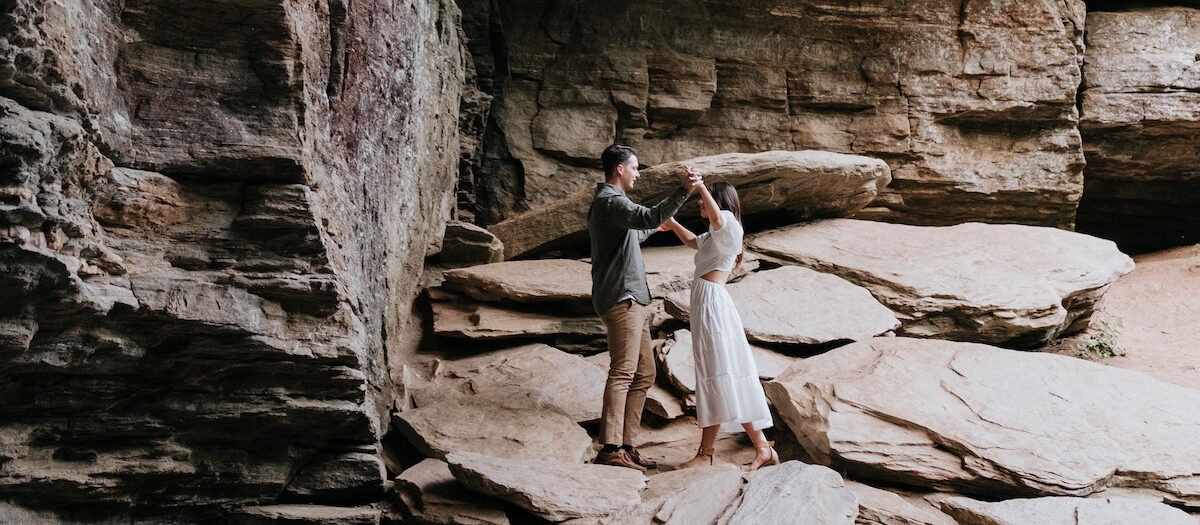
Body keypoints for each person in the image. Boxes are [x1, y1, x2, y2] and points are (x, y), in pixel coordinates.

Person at [589, 144, 702, 471]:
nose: (638, 173)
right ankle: (610, 447)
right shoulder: (610, 201)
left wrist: (657, 226)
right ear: (619, 169)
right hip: (621, 297)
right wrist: (683, 191)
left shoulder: (612, 207)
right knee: (623, 371)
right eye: (635, 167)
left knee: (645, 373)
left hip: (634, 298)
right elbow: (648, 215)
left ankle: (626, 445)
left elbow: (635, 233)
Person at [659, 177, 779, 471]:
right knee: (723, 374)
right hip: (707, 305)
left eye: (705, 197)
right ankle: (762, 448)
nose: (700, 203)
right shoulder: (717, 234)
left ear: (720, 200)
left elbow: (715, 216)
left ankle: (705, 454)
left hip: (713, 306)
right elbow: (693, 241)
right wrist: (673, 224)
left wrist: (700, 186)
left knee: (716, 373)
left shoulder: (727, 223)